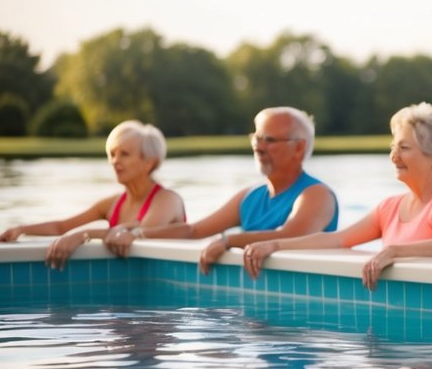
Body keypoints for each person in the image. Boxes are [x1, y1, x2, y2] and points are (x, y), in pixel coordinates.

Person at [242, 103, 432, 289]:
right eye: (393, 147)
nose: (393, 156)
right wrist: (274, 245)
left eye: (404, 148)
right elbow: (337, 240)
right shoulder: (389, 207)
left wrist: (393, 251)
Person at [104, 106, 339, 273]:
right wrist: (136, 234)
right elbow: (194, 230)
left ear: (299, 148)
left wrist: (228, 241)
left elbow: (289, 236)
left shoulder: (316, 194)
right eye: (256, 138)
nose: (258, 146)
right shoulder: (249, 196)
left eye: (269, 139)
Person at [0, 120, 185, 269]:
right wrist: (21, 230)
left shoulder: (167, 200)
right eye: (112, 153)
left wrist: (83, 235)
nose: (115, 161)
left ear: (149, 163)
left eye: (124, 154)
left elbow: (141, 231)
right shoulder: (111, 204)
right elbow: (62, 227)